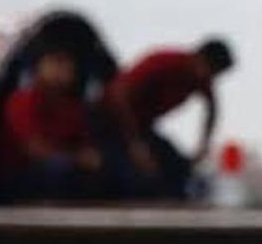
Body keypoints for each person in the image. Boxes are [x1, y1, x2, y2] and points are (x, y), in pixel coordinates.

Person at [101, 37, 235, 198]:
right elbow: (118, 95)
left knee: (178, 167)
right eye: (212, 73)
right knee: (130, 173)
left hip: (141, 127)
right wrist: (135, 144)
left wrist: (203, 145)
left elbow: (212, 108)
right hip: (107, 120)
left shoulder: (200, 79)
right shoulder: (166, 63)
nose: (211, 80)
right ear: (199, 59)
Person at [0, 45, 102, 203]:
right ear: (38, 67)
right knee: (59, 169)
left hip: (58, 169)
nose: (63, 68)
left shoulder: (71, 106)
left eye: (67, 63)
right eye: (56, 62)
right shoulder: (23, 100)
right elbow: (34, 150)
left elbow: (83, 144)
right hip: (18, 175)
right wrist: (76, 158)